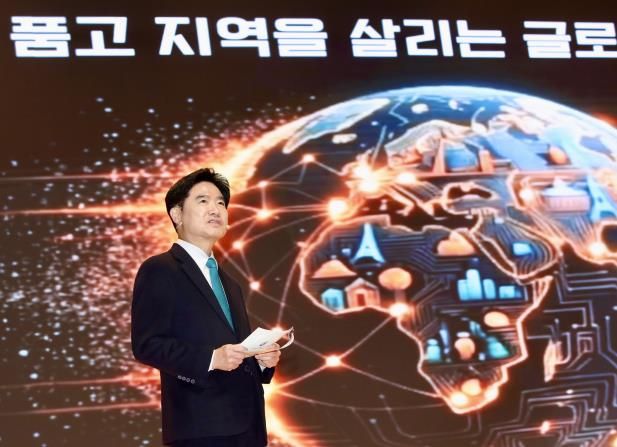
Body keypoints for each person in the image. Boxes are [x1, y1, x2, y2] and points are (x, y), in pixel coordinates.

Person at [131, 168, 281, 446]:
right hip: (200, 428)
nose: (215, 209)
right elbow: (148, 345)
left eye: (221, 203)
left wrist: (261, 362)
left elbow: (235, 350)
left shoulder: (230, 283)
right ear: (177, 214)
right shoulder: (160, 269)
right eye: (203, 200)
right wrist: (211, 359)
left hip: (249, 428)